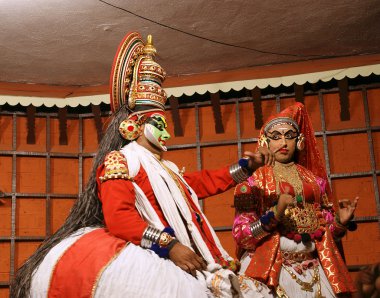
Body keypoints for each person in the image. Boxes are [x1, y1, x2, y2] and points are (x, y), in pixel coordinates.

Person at [11, 32, 267, 298]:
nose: (166, 133)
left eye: (165, 125)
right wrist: (170, 245)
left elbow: (198, 184)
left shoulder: (164, 169)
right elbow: (120, 218)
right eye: (159, 125)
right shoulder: (121, 160)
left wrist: (247, 167)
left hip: (186, 251)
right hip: (153, 251)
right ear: (134, 126)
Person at [232, 102, 359, 297]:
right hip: (271, 268)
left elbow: (324, 234)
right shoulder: (252, 182)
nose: (283, 142)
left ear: (299, 141)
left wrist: (340, 223)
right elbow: (243, 237)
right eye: (276, 137)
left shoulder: (315, 182)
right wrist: (274, 214)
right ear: (266, 142)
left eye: (289, 136)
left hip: (315, 269)